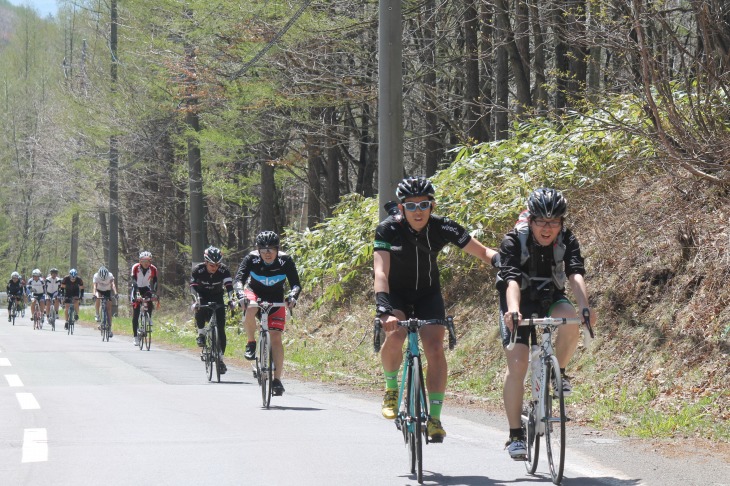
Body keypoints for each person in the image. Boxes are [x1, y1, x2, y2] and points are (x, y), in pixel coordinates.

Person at [374, 176, 500, 443]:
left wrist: (504, 263)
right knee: (395, 335)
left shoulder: (444, 227)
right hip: (395, 295)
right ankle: (391, 388)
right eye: (410, 206)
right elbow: (380, 271)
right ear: (401, 207)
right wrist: (384, 309)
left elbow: (483, 252)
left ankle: (434, 418)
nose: (417, 211)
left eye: (423, 205)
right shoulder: (387, 229)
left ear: (432, 205)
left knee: (434, 348)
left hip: (428, 294)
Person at [497, 187, 597, 460]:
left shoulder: (566, 239)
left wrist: (585, 307)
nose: (547, 228)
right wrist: (514, 310)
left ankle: (559, 372)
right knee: (518, 364)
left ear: (562, 223)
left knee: (570, 321)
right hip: (517, 301)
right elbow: (511, 280)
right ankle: (516, 434)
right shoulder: (513, 241)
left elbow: (574, 273)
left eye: (554, 222)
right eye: (541, 221)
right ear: (530, 220)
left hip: (550, 296)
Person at [234, 231, 301, 396]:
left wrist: (292, 296)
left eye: (271, 249)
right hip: (254, 293)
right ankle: (251, 342)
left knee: (276, 338)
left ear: (277, 249)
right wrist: (240, 295)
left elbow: (296, 284)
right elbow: (238, 280)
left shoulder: (285, 260)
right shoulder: (251, 258)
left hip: (276, 298)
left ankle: (277, 380)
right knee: (250, 307)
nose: (267, 253)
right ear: (258, 250)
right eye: (263, 250)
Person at [190, 246, 236, 374]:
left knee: (221, 329)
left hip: (217, 297)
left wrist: (231, 300)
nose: (214, 267)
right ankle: (201, 333)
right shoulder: (198, 270)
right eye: (211, 265)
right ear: (205, 262)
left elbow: (229, 286)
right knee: (199, 309)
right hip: (202, 296)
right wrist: (195, 300)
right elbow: (192, 287)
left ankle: (220, 359)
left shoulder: (224, 270)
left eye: (217, 265)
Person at [130, 251, 158, 346]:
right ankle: (135, 337)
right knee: (136, 313)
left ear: (150, 262)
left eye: (148, 261)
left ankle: (148, 317)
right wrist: (137, 293)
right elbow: (133, 280)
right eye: (144, 261)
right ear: (140, 261)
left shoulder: (153, 269)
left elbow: (155, 281)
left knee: (149, 300)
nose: (146, 263)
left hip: (146, 288)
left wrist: (154, 292)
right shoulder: (135, 267)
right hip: (136, 288)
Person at [93, 265, 118, 338]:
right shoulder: (96, 276)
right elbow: (94, 286)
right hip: (99, 290)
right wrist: (94, 294)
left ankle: (109, 328)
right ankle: (97, 314)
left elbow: (113, 285)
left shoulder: (110, 275)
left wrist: (116, 293)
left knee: (109, 309)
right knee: (97, 297)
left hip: (107, 291)